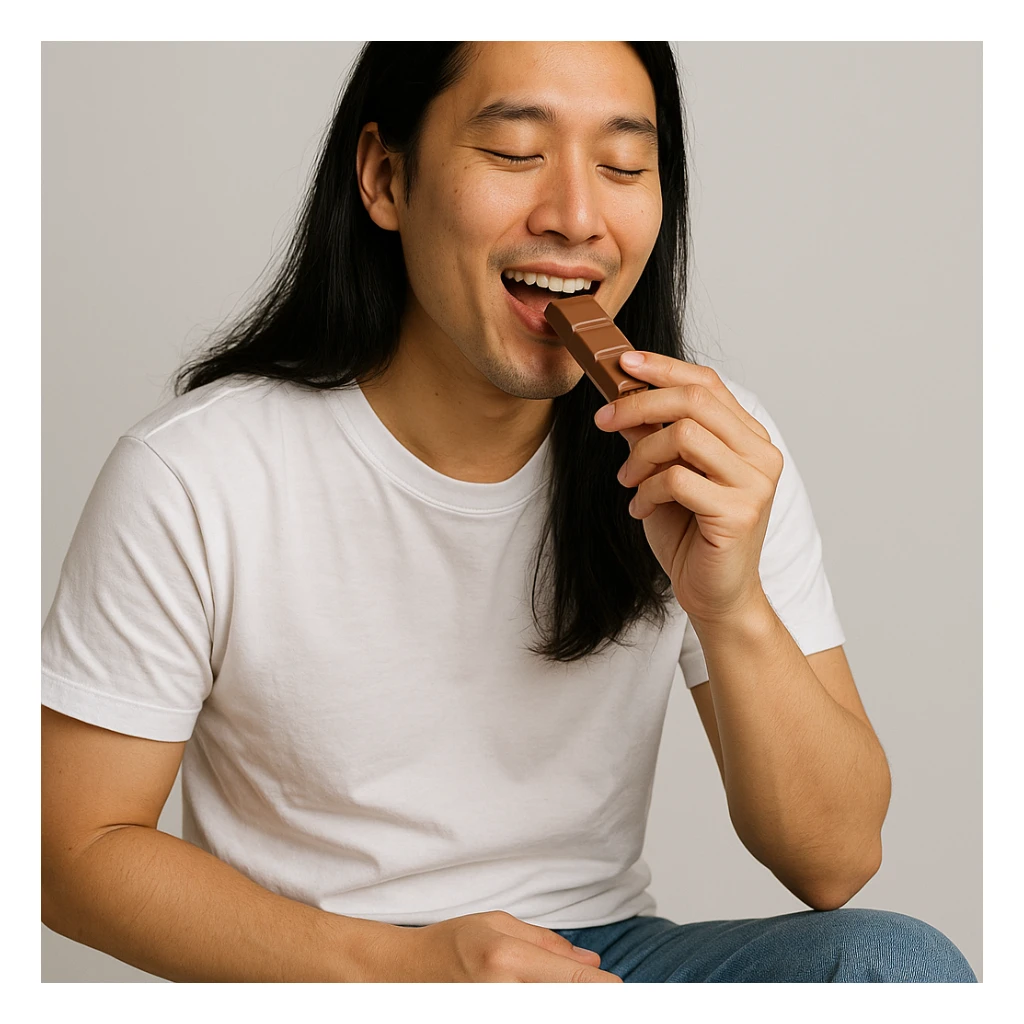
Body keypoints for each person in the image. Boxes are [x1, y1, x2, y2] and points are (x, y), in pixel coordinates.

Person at [40, 41, 976, 983]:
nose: (577, 216)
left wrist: (730, 605)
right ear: (386, 178)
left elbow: (835, 859)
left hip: (598, 960)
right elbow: (71, 852)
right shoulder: (196, 471)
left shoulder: (703, 452)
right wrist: (406, 973)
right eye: (516, 152)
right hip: (328, 966)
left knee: (894, 963)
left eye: (623, 165)